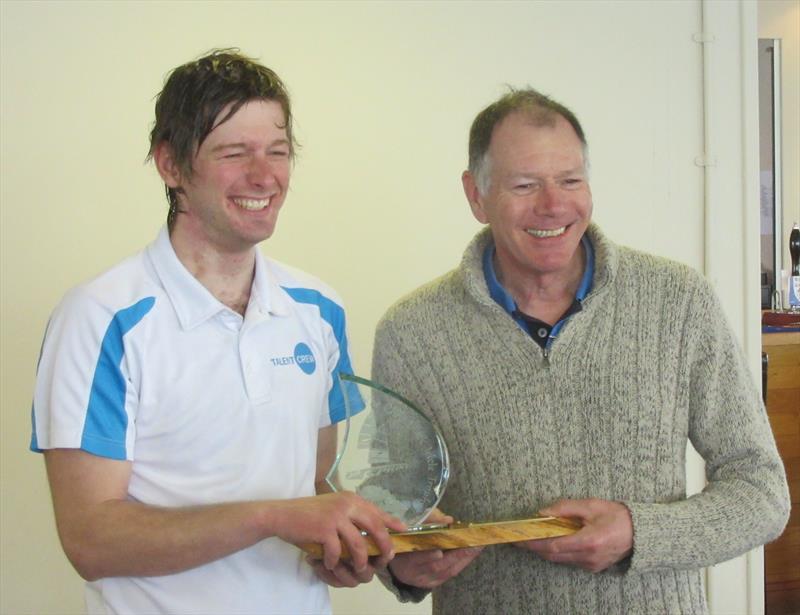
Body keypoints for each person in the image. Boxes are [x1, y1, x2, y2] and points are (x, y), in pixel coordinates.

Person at [372, 88, 790, 614]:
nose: (554, 205)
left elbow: (762, 494)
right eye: (525, 185)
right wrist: (400, 562)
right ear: (475, 195)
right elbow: (391, 509)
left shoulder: (678, 301)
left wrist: (640, 532)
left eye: (570, 180)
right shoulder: (412, 332)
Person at [29, 49, 404, 615]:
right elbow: (90, 540)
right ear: (171, 165)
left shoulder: (319, 308)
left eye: (277, 152)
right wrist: (273, 516)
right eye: (235, 153)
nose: (264, 176)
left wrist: (357, 543)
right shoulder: (102, 317)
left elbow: (315, 490)